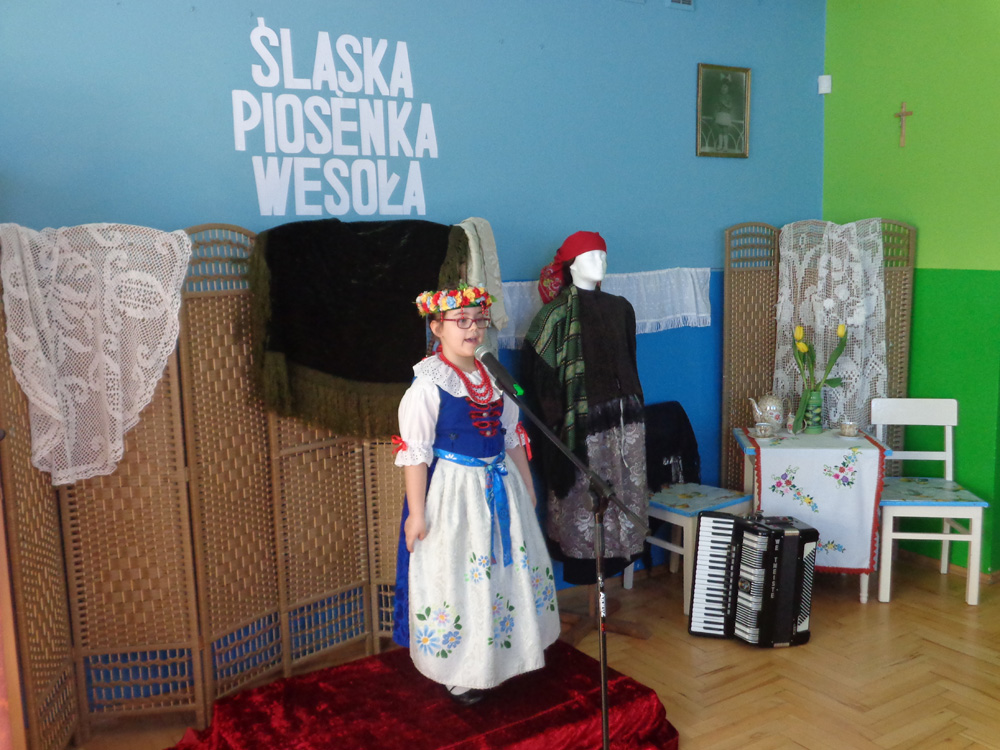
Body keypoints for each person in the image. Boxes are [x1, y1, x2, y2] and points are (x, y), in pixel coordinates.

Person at [392, 284, 560, 706]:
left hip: (500, 486)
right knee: (460, 577)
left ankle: (506, 653)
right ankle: (461, 669)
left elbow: (511, 436)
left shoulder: (494, 377)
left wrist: (527, 485)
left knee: (502, 572)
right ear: (437, 327)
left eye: (479, 320)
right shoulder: (428, 385)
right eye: (461, 321)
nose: (472, 329)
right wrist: (416, 513)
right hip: (456, 495)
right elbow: (416, 454)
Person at [523, 231, 648, 585]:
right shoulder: (553, 316)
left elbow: (630, 363)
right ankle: (586, 576)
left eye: (604, 256)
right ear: (571, 265)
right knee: (585, 501)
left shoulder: (621, 308)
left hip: (626, 423)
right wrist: (558, 430)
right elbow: (540, 381)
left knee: (624, 496)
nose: (601, 263)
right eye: (591, 256)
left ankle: (619, 562)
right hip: (581, 429)